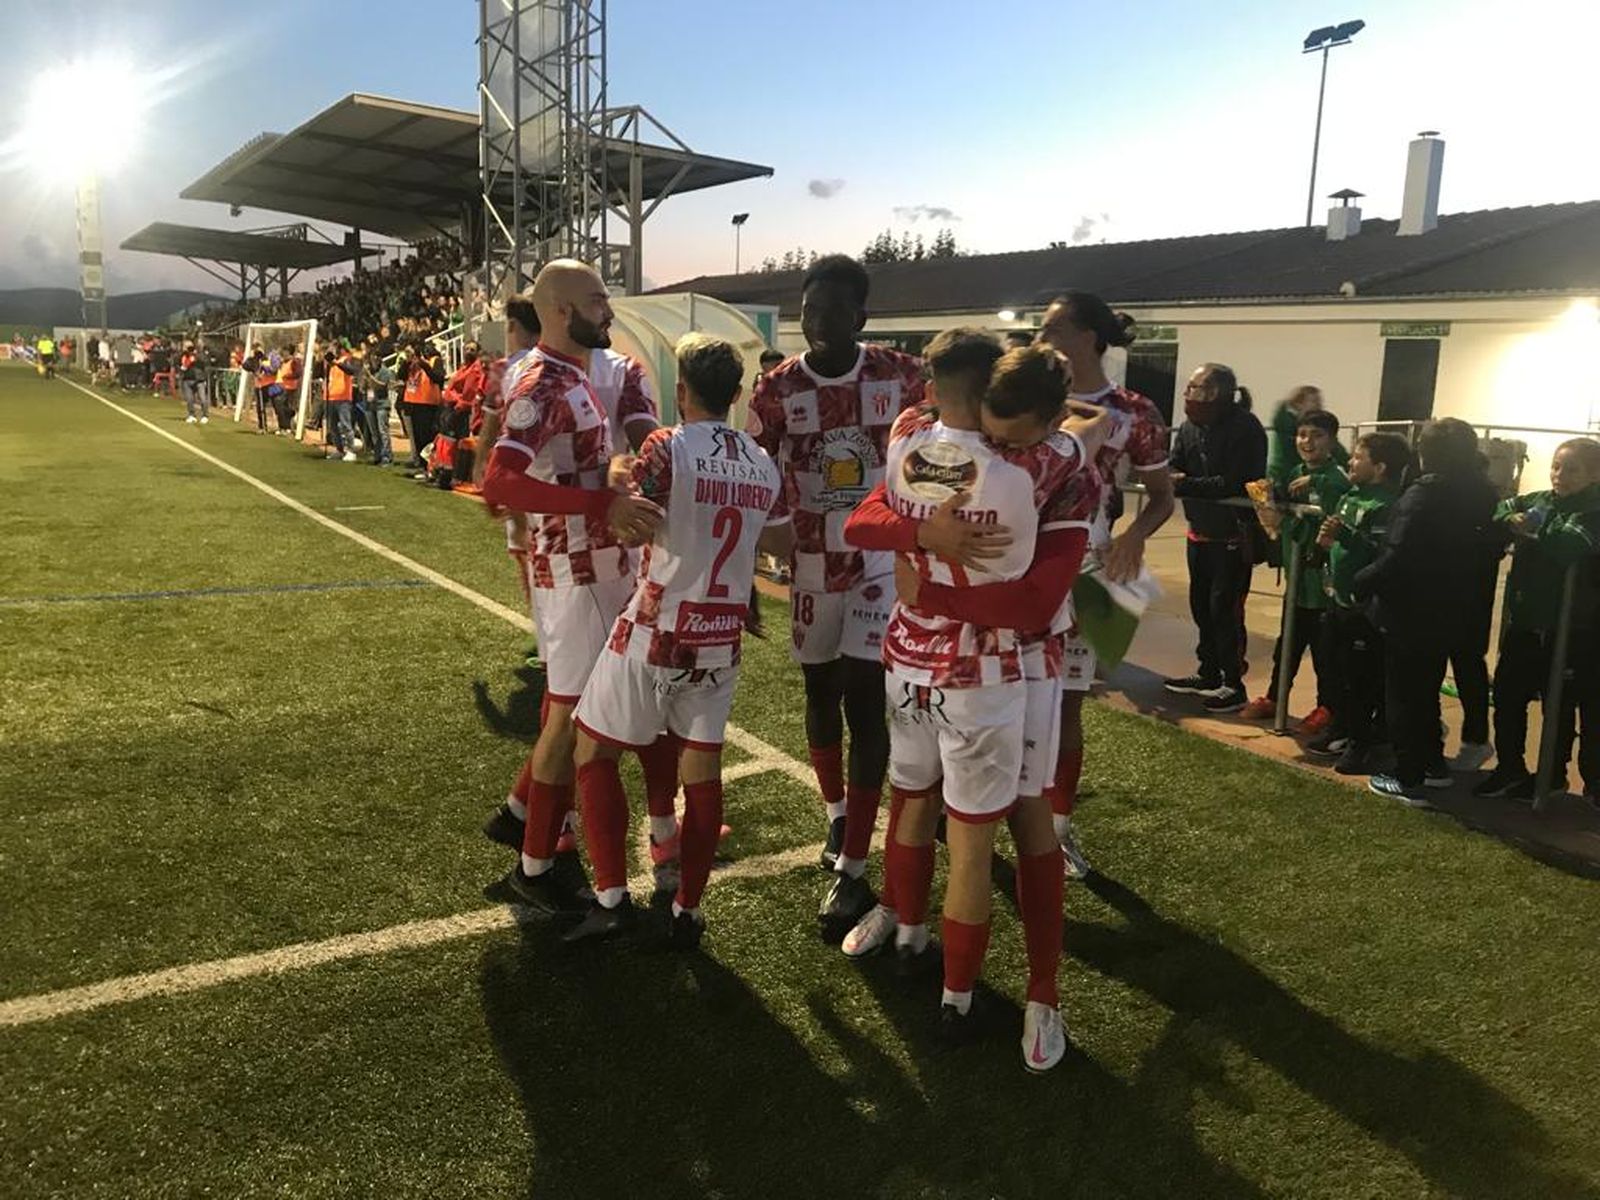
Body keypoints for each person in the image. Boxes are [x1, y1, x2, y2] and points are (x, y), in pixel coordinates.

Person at [845, 341, 1098, 1071]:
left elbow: (863, 521)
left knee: (1007, 817)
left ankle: (1038, 992)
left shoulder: (905, 437)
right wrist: (924, 535)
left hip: (981, 660)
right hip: (978, 664)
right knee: (957, 811)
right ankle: (923, 941)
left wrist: (920, 562)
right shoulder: (1048, 462)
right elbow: (1085, 438)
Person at [562, 334, 792, 946]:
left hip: (659, 629)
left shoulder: (667, 445)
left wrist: (613, 486)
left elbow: (633, 515)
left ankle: (612, 898)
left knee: (593, 751)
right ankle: (687, 909)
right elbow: (781, 545)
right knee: (703, 772)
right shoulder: (762, 461)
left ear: (681, 391)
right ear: (738, 395)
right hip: (720, 637)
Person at [479, 262, 667, 914]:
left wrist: (611, 481)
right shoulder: (543, 379)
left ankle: (526, 831)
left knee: (575, 716)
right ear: (560, 309)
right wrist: (596, 505)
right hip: (572, 573)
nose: (607, 309)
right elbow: (500, 484)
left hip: (598, 565)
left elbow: (578, 469)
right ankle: (535, 869)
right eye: (596, 300)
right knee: (568, 720)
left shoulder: (575, 376)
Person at [746, 254, 924, 941]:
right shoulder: (775, 387)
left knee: (863, 698)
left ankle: (853, 858)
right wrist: (771, 539)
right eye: (809, 308)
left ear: (861, 317)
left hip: (879, 561)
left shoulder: (900, 374)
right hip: (812, 566)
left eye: (833, 310)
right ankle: (835, 815)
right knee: (819, 692)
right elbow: (757, 467)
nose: (817, 322)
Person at [1033, 291, 1174, 880]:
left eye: (1053, 328)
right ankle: (974, 810)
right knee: (1003, 698)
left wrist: (1135, 535)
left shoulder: (1133, 411)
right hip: (1015, 563)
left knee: (1065, 705)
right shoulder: (1023, 393)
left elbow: (1163, 496)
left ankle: (1058, 831)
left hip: (1088, 571)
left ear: (1090, 337)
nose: (1042, 339)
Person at [1356, 418, 1502, 802]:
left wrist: (1363, 581)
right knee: (1425, 690)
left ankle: (1409, 776)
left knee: (1406, 696)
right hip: (1454, 609)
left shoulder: (1422, 496)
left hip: (1411, 611)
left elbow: (1398, 555)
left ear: (1426, 452)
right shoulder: (1482, 494)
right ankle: (1433, 765)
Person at [1473, 438, 1600, 801]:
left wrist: (1532, 530)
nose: (1560, 475)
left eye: (1572, 469)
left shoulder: (1592, 510)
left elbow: (1570, 546)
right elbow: (1500, 511)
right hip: (1524, 621)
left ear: (1594, 475)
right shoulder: (1541, 499)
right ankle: (1510, 768)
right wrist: (1511, 519)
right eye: (1557, 466)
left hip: (1569, 628)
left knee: (1558, 704)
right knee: (1509, 697)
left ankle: (1553, 776)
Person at [1163, 364, 1268, 713]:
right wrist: (1175, 478)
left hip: (1234, 534)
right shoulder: (1190, 427)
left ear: (1218, 392)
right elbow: (1176, 464)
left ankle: (1233, 682)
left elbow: (1236, 482)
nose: (1189, 394)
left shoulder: (1245, 427)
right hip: (1200, 530)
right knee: (1200, 606)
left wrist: (1185, 483)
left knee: (1225, 608)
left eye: (1197, 388)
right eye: (1189, 387)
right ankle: (1208, 671)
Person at [1240, 409, 1349, 732]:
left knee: (1323, 651)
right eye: (1303, 435)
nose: (1307, 441)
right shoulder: (1294, 473)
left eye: (1317, 435)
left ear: (1331, 440)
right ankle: (1275, 697)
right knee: (1287, 643)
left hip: (1322, 584)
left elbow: (1325, 528)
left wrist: (1287, 520)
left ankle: (1327, 706)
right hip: (1296, 579)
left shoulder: (1336, 480)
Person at [1314, 432, 1411, 775]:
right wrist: (1326, 543)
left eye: (1358, 457)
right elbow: (1339, 544)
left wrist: (1346, 537)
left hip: (1364, 608)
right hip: (1338, 601)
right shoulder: (1351, 496)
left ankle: (1361, 743)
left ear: (1380, 467)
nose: (1350, 462)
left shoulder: (1386, 506)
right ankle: (1340, 728)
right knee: (1332, 667)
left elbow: (1380, 555)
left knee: (1361, 679)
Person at [1267, 386, 1347, 486]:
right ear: (1298, 404)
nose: (1319, 405)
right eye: (1314, 401)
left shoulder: (1335, 474)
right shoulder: (1287, 426)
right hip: (1284, 474)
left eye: (1317, 435)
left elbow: (1339, 453)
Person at [401, 341, 447, 476]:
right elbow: (401, 376)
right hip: (413, 402)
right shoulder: (411, 363)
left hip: (428, 403)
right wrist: (407, 363)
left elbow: (438, 378)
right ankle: (422, 466)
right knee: (417, 438)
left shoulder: (435, 361)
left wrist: (424, 365)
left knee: (427, 437)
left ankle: (430, 466)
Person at [324, 342, 360, 461]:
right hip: (331, 397)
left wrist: (337, 363)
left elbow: (351, 371)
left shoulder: (345, 360)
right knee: (332, 426)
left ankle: (351, 450)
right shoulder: (330, 364)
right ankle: (339, 449)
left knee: (346, 425)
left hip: (343, 398)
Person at [362, 339, 396, 466]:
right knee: (374, 433)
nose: (374, 359)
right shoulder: (368, 371)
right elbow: (363, 387)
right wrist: (364, 379)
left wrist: (369, 376)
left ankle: (387, 456)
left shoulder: (385, 372)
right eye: (373, 357)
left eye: (377, 357)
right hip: (370, 403)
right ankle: (377, 455)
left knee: (383, 432)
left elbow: (381, 386)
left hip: (382, 404)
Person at [179, 343, 207, 425]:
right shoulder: (183, 356)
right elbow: (181, 366)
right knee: (189, 399)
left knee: (203, 399)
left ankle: (205, 415)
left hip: (199, 379)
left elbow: (205, 363)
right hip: (187, 379)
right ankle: (192, 415)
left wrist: (196, 358)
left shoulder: (200, 356)